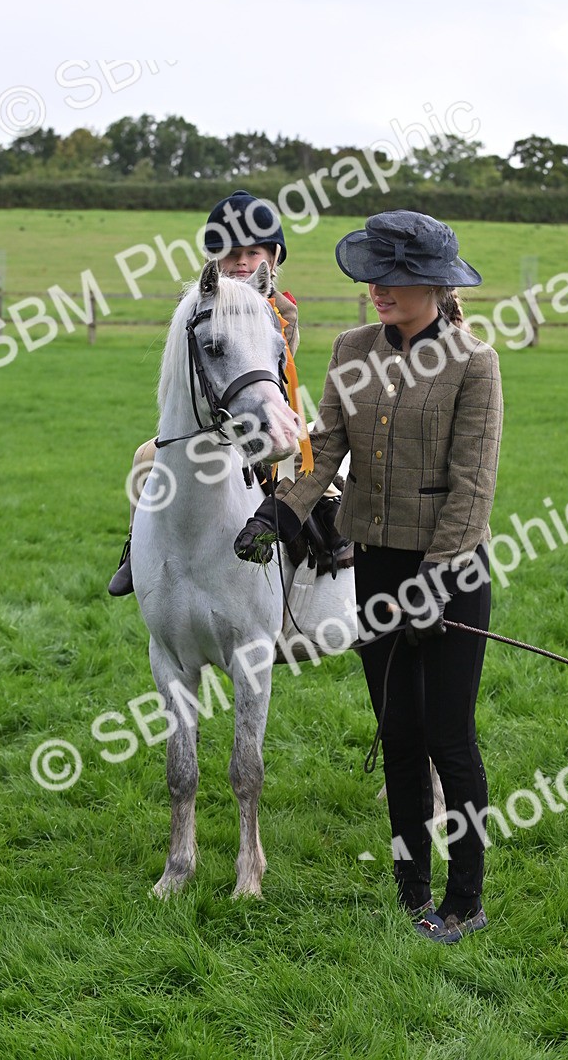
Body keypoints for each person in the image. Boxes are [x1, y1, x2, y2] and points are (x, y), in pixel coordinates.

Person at [234, 210, 504, 943]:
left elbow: (472, 488)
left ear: (434, 285)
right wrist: (279, 513)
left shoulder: (473, 362)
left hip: (451, 570)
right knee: (399, 730)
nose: (375, 289)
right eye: (372, 275)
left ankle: (465, 901)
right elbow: (324, 448)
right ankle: (411, 887)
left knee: (449, 735)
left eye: (391, 277)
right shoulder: (352, 346)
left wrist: (438, 583)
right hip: (376, 567)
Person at [108, 190, 300, 596]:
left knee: (312, 473)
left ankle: (318, 550)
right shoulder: (198, 305)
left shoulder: (279, 308)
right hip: (208, 419)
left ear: (273, 257)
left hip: (267, 411)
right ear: (215, 260)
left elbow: (275, 367)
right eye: (232, 254)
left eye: (253, 253)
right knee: (145, 457)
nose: (243, 263)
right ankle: (133, 550)